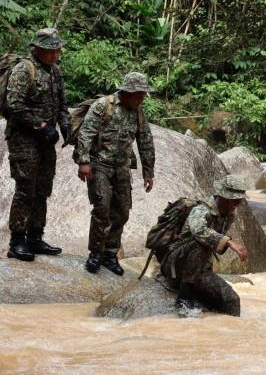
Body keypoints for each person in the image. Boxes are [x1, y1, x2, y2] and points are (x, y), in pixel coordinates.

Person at [74, 72, 156, 275]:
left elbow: (145, 141)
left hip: (122, 168)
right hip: (99, 164)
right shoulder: (104, 105)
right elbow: (86, 133)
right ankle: (95, 253)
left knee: (122, 210)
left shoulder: (138, 112)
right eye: (140, 94)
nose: (143, 97)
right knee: (102, 208)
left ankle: (110, 254)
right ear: (129, 92)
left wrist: (148, 171)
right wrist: (84, 161)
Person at [4, 28, 70, 261]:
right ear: (38, 48)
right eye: (51, 50)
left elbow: (62, 103)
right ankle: (17, 241)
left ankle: (35, 236)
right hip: (24, 139)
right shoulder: (25, 69)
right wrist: (41, 125)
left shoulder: (55, 72)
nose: (55, 54)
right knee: (25, 188)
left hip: (45, 141)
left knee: (43, 188)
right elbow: (14, 104)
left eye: (57, 50)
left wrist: (65, 125)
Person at [160, 175, 250, 317]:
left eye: (239, 200)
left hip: (200, 270)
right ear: (222, 196)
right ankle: (184, 298)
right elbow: (199, 232)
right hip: (177, 266)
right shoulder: (201, 210)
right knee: (200, 243)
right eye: (234, 200)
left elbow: (214, 246)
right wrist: (228, 242)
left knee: (232, 300)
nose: (237, 203)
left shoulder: (229, 215)